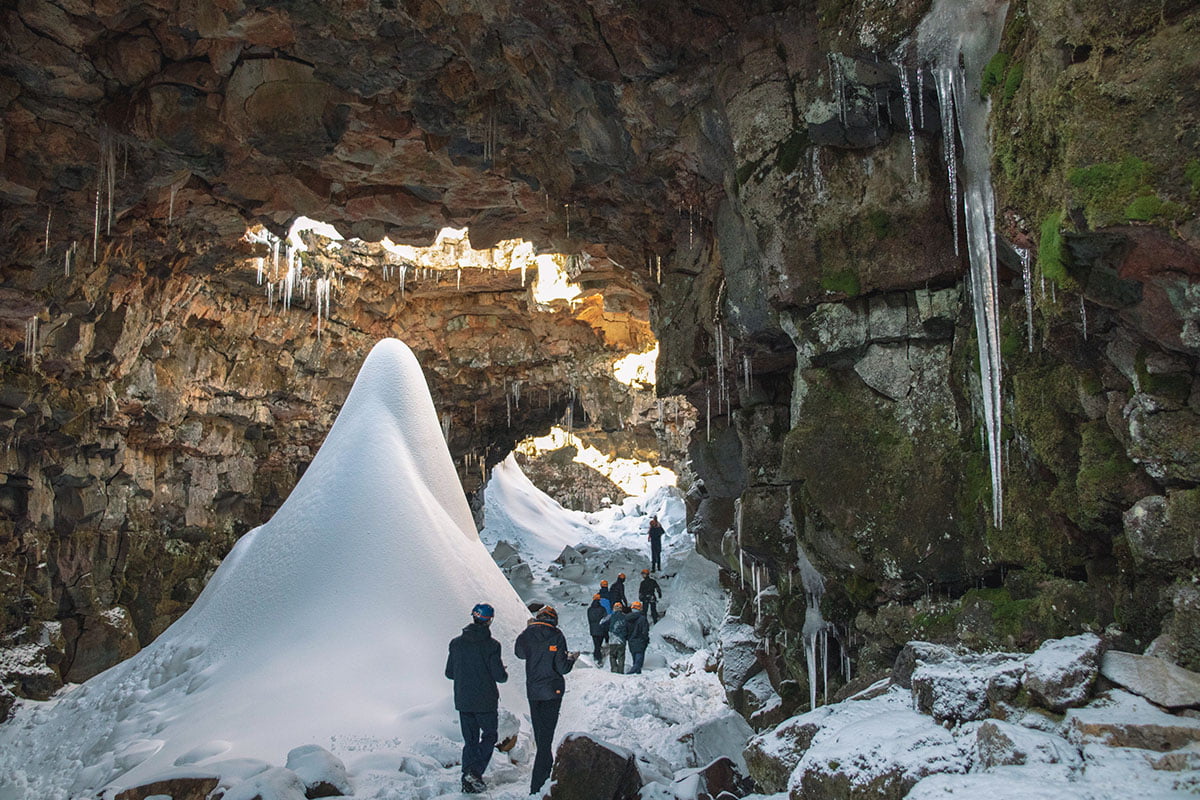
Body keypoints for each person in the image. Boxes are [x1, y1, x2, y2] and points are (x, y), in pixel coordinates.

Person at [445, 603, 508, 795]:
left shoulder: (456, 643)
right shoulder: (492, 645)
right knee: (489, 736)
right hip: (486, 701)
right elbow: (500, 677)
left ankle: (468, 779)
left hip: (463, 700)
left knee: (470, 740)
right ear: (489, 620)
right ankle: (474, 772)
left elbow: (449, 673)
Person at [515, 605, 578, 796]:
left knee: (542, 736)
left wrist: (527, 630)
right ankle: (537, 786)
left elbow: (519, 653)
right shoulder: (557, 635)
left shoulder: (528, 634)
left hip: (533, 692)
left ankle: (546, 777)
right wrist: (571, 659)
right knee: (545, 739)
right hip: (553, 691)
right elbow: (562, 668)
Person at [602, 601, 630, 674]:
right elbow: (629, 628)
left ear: (614, 608)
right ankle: (620, 671)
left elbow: (602, 624)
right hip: (621, 640)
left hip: (612, 639)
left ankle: (614, 670)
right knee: (621, 656)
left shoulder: (610, 616)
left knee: (612, 656)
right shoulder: (625, 617)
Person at [626, 600, 651, 674]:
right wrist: (646, 639)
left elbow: (625, 630)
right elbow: (645, 631)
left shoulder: (627, 618)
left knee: (635, 660)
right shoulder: (642, 619)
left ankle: (637, 675)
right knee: (638, 662)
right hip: (640, 641)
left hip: (631, 641)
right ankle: (631, 673)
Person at [587, 593, 607, 664]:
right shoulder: (602, 609)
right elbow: (605, 619)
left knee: (596, 644)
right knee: (598, 645)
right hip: (601, 630)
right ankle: (598, 658)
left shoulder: (589, 609)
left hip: (593, 629)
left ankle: (596, 657)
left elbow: (589, 620)